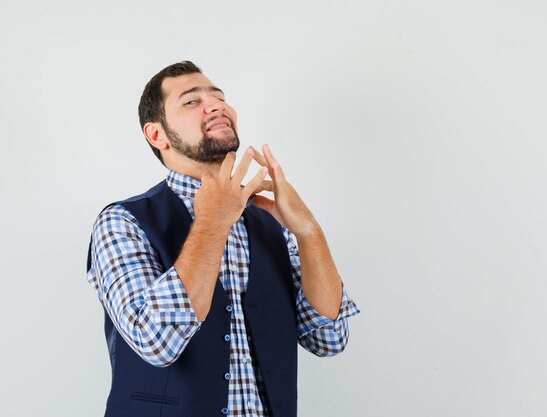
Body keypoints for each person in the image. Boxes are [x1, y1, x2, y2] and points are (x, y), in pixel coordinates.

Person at [85, 61, 359, 417]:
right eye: (191, 101)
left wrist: (308, 230)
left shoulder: (269, 224)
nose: (216, 106)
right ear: (157, 135)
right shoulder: (122, 221)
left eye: (219, 97)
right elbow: (156, 341)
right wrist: (214, 220)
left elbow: (329, 339)